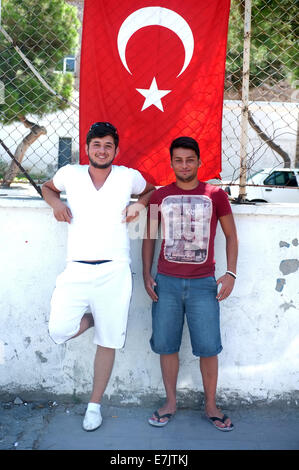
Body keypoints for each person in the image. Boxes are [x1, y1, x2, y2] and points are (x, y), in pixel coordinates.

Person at [42, 122, 155, 432]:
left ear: (115, 150)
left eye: (108, 145)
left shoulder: (127, 177)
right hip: (76, 267)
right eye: (97, 145)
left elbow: (150, 189)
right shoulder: (70, 174)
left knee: (108, 340)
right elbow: (47, 186)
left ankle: (94, 405)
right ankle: (90, 319)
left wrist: (140, 205)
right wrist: (55, 203)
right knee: (59, 329)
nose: (102, 150)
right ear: (87, 147)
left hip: (114, 270)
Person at [142, 136, 238, 431]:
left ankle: (211, 405)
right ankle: (170, 402)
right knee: (166, 345)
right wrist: (147, 274)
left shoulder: (215, 195)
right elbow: (148, 236)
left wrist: (230, 273)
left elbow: (232, 236)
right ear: (171, 163)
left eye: (189, 160)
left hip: (203, 285)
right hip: (166, 284)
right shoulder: (159, 196)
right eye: (178, 160)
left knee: (209, 347)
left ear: (198, 161)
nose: (184, 165)